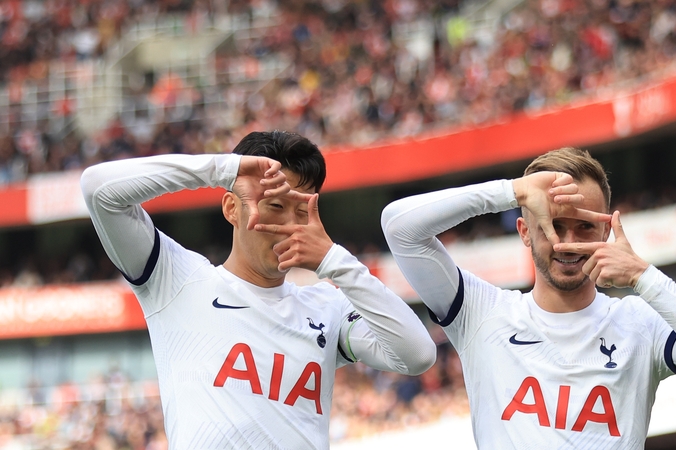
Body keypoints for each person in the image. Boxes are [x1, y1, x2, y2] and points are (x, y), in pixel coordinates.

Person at [81, 130, 436, 449]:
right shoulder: (177, 281)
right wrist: (223, 169)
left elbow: (417, 354)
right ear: (232, 208)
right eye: (277, 206)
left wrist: (335, 260)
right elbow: (99, 189)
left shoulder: (329, 307)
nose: (290, 226)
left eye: (303, 210)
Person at [381, 147, 676, 449]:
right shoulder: (481, 314)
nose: (569, 243)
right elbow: (399, 229)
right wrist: (511, 191)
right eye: (554, 225)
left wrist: (644, 277)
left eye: (585, 226)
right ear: (525, 232)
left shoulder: (639, 323)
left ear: (606, 230)